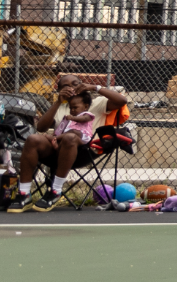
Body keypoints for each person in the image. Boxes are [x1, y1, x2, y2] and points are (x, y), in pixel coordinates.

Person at [14, 74, 128, 212]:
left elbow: (122, 101)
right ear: (60, 90)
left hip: (84, 152)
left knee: (70, 137)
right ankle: (24, 193)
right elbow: (41, 128)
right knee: (33, 138)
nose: (70, 88)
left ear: (81, 85)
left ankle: (55, 191)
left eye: (74, 84)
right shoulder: (61, 107)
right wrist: (57, 102)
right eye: (65, 86)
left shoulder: (97, 103)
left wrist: (94, 87)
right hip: (57, 151)